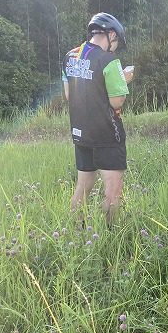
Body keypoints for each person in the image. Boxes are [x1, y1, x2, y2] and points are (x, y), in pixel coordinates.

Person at [62, 12, 134, 226]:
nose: (115, 47)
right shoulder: (108, 60)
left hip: (81, 133)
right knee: (113, 189)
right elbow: (117, 102)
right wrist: (123, 80)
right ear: (111, 35)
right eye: (117, 42)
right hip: (106, 133)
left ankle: (76, 232)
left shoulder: (70, 57)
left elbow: (69, 95)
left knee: (84, 185)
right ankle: (111, 235)